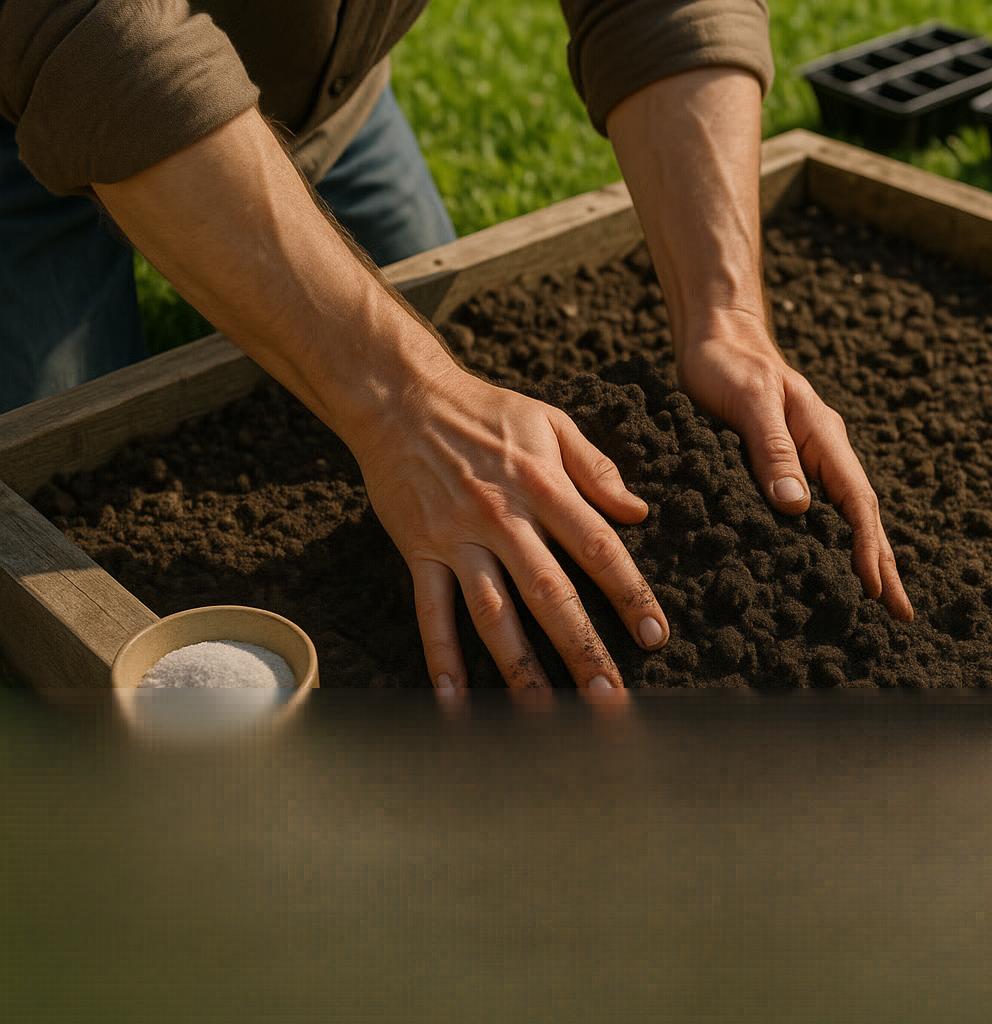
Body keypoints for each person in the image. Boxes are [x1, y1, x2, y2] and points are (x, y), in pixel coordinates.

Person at [0, 1, 912, 690]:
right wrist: (403, 398)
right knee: (49, 477)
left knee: (423, 382)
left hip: (318, 88)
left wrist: (727, 318)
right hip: (33, 83)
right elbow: (88, 31)